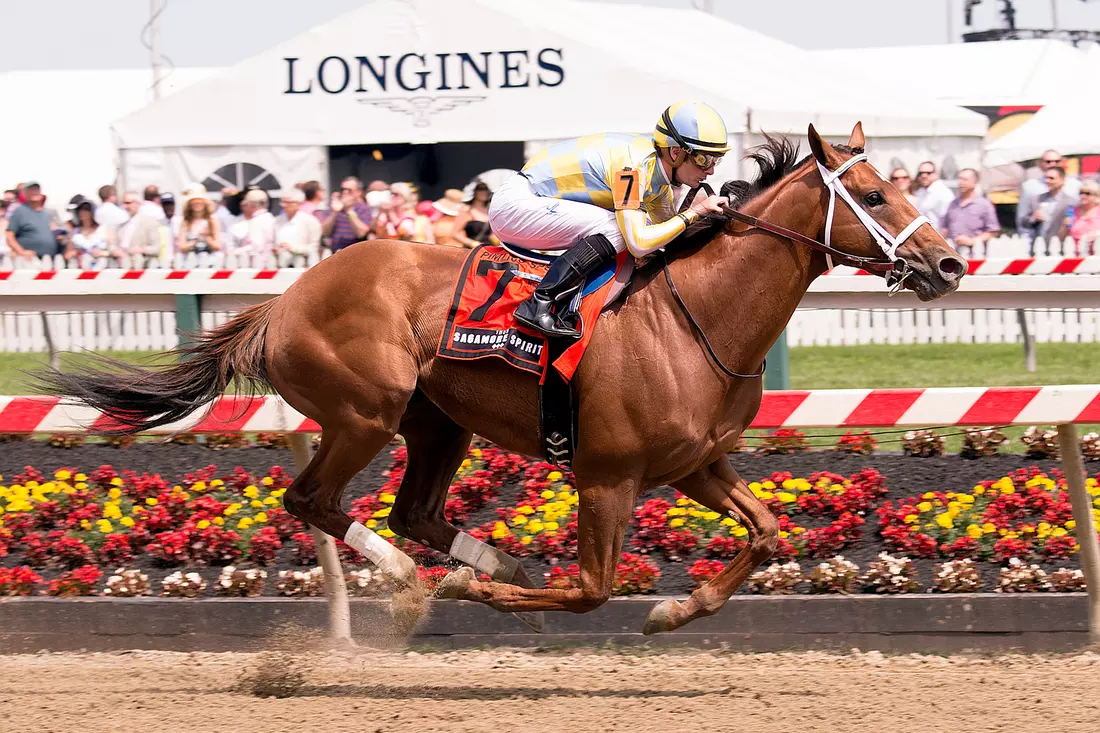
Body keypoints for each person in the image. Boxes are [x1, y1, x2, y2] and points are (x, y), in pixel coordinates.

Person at [489, 100, 730, 337]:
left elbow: (666, 236)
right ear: (676, 153)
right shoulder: (632, 168)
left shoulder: (658, 181)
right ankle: (540, 302)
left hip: (534, 200)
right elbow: (639, 244)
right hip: (515, 205)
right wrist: (694, 213)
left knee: (635, 228)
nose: (710, 170)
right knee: (618, 229)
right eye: (704, 159)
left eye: (716, 160)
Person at [1017, 149, 1080, 240]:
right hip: (1039, 240)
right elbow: (1022, 217)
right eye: (1048, 162)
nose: (1053, 164)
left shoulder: (1075, 185)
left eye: (1056, 161)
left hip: (1066, 240)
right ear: (1041, 163)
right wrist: (1033, 219)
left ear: (1063, 162)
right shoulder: (1029, 186)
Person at [941, 168, 1000, 257]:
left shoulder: (984, 204)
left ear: (975, 182)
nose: (961, 182)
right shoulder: (952, 204)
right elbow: (945, 229)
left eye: (965, 179)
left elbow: (993, 231)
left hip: (976, 255)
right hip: (953, 255)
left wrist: (973, 241)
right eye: (959, 179)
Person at [1018, 165, 1075, 249]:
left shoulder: (1071, 202)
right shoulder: (1036, 199)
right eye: (1046, 178)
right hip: (1038, 247)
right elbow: (1023, 222)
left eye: (1051, 178)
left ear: (1062, 180)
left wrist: (1069, 224)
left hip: (1060, 248)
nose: (1047, 181)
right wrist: (1033, 218)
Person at [5, 181, 60, 259]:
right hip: (29, 260)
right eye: (31, 190)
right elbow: (9, 236)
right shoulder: (19, 211)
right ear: (24, 194)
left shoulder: (46, 213)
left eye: (36, 189)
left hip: (48, 259)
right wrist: (21, 252)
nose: (34, 192)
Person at [321, 177, 372, 252]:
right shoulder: (334, 207)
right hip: (336, 253)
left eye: (349, 190)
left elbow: (361, 233)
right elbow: (324, 232)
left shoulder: (363, 208)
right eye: (343, 189)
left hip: (356, 253)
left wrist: (349, 211)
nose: (345, 192)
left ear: (358, 192)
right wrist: (334, 213)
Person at [275, 189, 323, 259]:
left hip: (304, 264)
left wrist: (294, 249)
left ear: (299, 204)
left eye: (288, 202)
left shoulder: (311, 221)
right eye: (282, 202)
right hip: (281, 265)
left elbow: (314, 247)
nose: (283, 205)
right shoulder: (277, 220)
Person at [176, 184, 222, 256]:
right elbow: (182, 247)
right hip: (190, 260)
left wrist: (206, 237)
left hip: (210, 260)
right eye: (194, 201)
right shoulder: (185, 222)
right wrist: (194, 242)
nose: (196, 203)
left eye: (199, 201)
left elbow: (217, 246)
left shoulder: (212, 221)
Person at [230, 188, 276, 258]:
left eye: (246, 204)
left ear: (252, 205)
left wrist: (235, 252)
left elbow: (256, 246)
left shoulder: (258, 221)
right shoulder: (270, 218)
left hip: (259, 262)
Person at [451, 180, 495, 249]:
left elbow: (492, 234)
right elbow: (455, 233)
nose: (484, 192)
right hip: (472, 250)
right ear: (474, 191)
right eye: (480, 189)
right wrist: (473, 243)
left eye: (486, 189)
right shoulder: (466, 210)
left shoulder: (490, 211)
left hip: (489, 249)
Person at [67, 196, 115, 260]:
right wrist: (76, 253)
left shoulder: (103, 230)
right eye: (80, 209)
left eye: (87, 209)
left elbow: (114, 251)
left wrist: (102, 253)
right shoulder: (75, 232)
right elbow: (67, 254)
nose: (83, 212)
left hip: (101, 264)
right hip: (81, 265)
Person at [914, 161, 953, 231]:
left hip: (937, 236)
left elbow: (948, 220)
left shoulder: (943, 193)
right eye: (921, 173)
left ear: (936, 174)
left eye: (928, 173)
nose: (924, 176)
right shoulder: (920, 191)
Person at [1062, 179, 1100, 252]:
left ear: (1096, 195)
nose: (1083, 195)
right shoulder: (1072, 211)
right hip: (1075, 254)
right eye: (1081, 193)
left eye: (1087, 193)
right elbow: (1061, 237)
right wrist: (1064, 226)